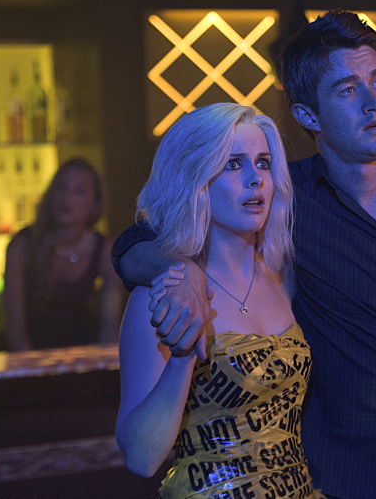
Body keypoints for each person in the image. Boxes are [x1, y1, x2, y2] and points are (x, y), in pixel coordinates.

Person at [114, 11, 376, 498]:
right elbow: (136, 241)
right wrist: (181, 269)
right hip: (340, 484)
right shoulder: (289, 204)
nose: (373, 102)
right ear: (307, 116)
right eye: (347, 90)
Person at [114, 103, 325, 499]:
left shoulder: (283, 275)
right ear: (195, 180)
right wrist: (182, 357)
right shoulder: (164, 291)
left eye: (263, 164)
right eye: (232, 165)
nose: (255, 179)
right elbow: (141, 458)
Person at [4, 157, 124, 350]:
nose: (66, 196)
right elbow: (15, 329)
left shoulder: (103, 250)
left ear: (95, 203)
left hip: (84, 350)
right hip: (31, 351)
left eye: (79, 190)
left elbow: (110, 327)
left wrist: (103, 364)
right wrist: (34, 366)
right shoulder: (21, 246)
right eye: (61, 187)